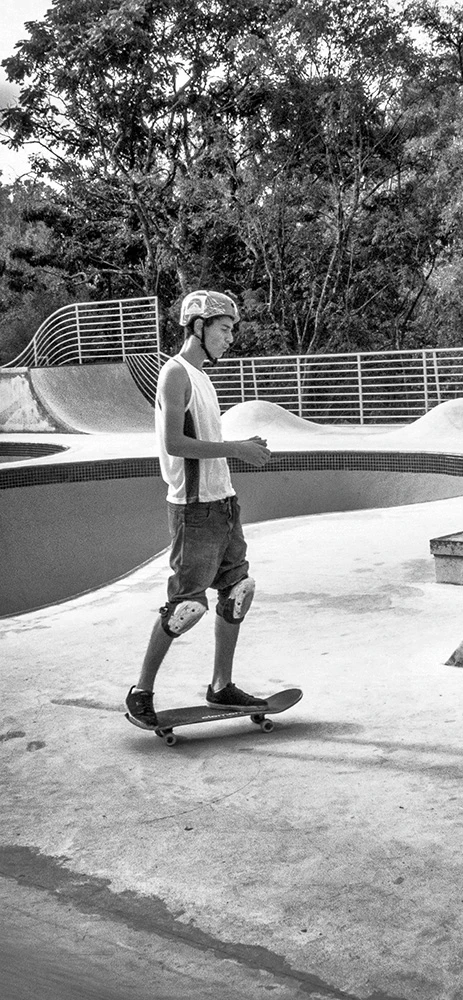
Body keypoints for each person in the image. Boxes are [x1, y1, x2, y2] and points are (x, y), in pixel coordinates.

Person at [125, 290, 272, 729]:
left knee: (238, 593)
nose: (229, 339)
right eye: (223, 329)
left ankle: (221, 686)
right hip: (194, 511)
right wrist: (236, 448)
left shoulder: (202, 375)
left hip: (223, 504)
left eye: (230, 331)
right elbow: (174, 442)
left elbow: (204, 440)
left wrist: (239, 453)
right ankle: (141, 692)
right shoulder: (175, 374)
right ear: (197, 327)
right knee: (185, 607)